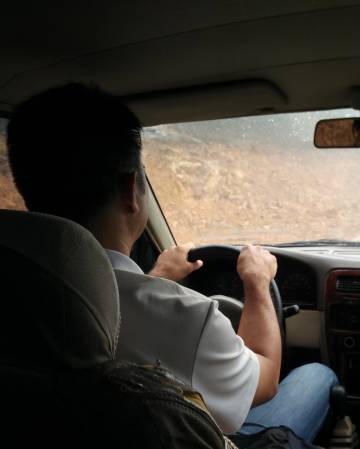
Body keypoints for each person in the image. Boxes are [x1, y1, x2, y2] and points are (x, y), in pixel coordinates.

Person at [5, 83, 337, 442]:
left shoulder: (16, 293)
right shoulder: (189, 318)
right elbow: (266, 380)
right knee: (317, 375)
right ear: (131, 190)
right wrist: (257, 282)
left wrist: (156, 279)